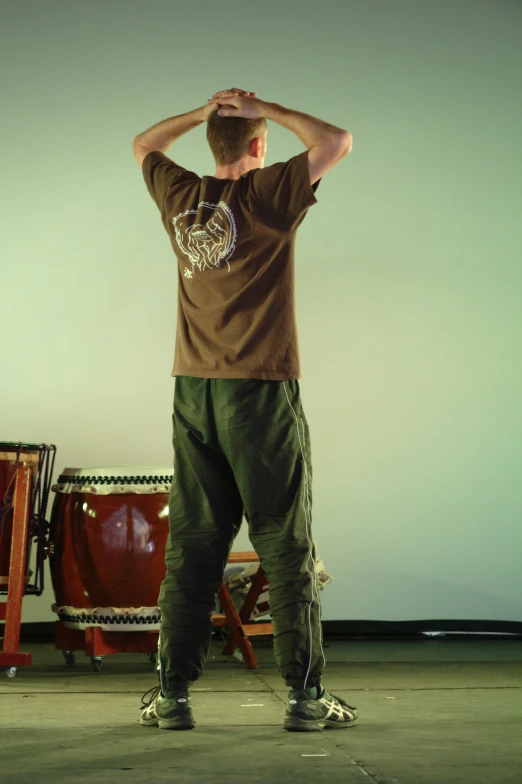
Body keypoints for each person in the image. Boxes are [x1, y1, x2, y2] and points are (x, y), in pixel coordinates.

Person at [132, 88, 358, 732]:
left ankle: (171, 697)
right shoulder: (268, 195)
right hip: (258, 390)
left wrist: (201, 115)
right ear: (261, 147)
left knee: (194, 545)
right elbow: (336, 140)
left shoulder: (182, 198)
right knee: (286, 542)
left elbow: (143, 144)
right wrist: (266, 105)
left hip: (193, 389)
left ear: (212, 144)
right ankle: (306, 697)